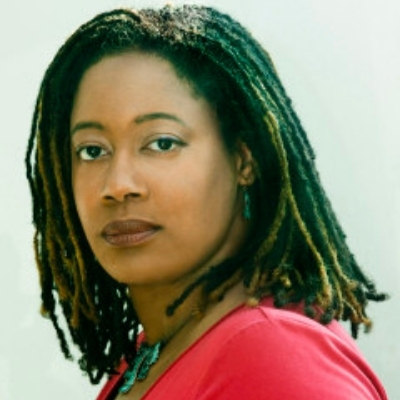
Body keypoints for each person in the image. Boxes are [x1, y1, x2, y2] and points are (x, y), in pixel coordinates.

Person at [25, 4, 388, 400]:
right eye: (92, 151)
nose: (118, 185)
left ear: (243, 159)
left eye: (162, 143)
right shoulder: (156, 353)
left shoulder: (269, 354)